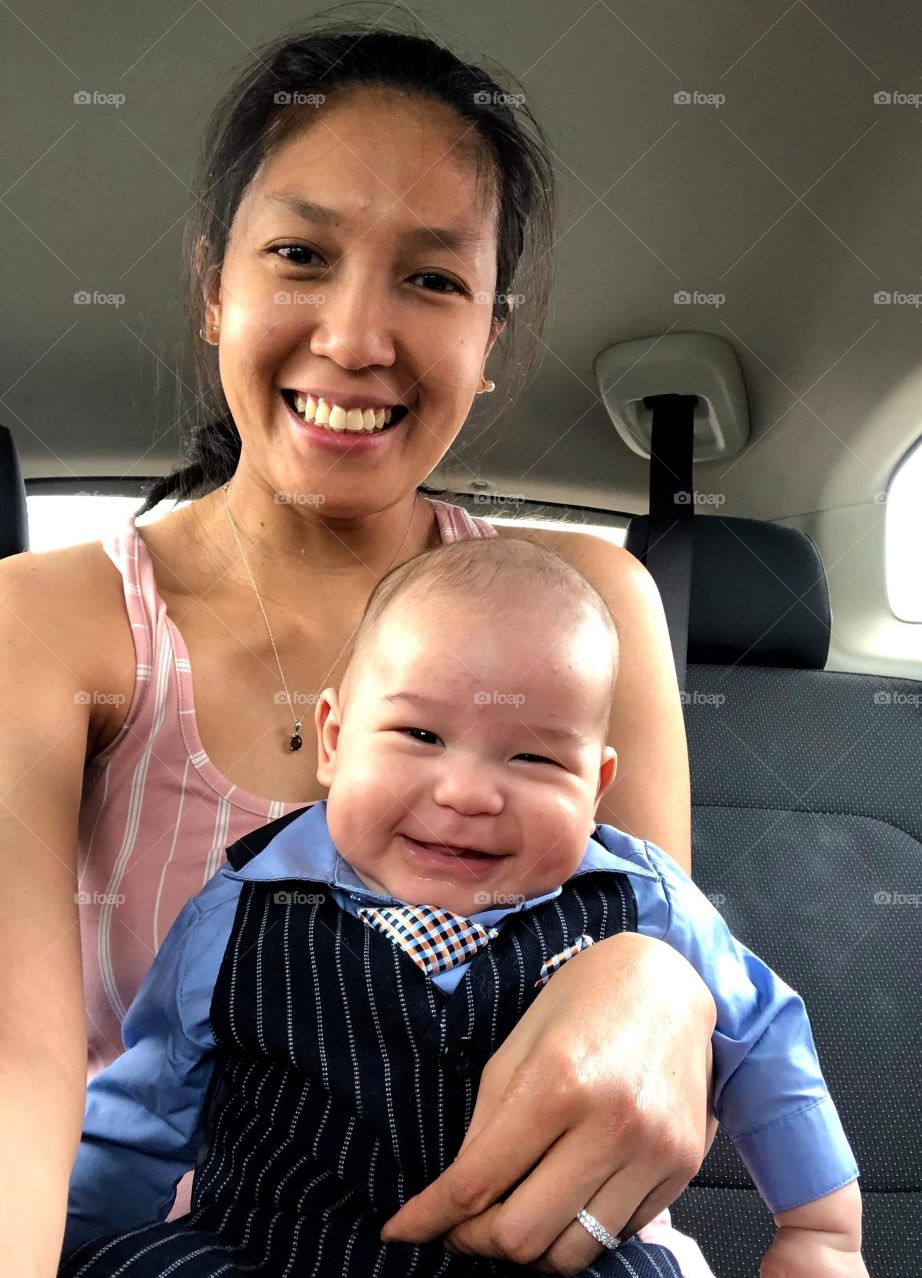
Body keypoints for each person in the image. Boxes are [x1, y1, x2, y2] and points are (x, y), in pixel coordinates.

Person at [0, 17, 716, 1276]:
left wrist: (666, 985)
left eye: (433, 279)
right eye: (300, 254)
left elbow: (652, 947)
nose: (355, 336)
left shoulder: (593, 599)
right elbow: (19, 1061)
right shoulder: (44, 622)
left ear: (491, 335)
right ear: (215, 287)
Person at [61, 537, 866, 1278]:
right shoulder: (240, 908)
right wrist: (64, 1239)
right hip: (267, 1246)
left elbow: (762, 1036)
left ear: (597, 787)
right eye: (419, 734)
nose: (469, 793)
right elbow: (142, 1112)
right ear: (334, 741)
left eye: (533, 757)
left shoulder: (640, 902)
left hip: (554, 1259)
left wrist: (820, 1228)